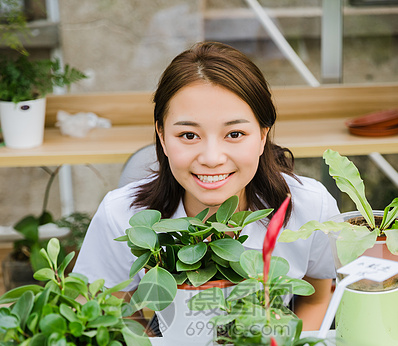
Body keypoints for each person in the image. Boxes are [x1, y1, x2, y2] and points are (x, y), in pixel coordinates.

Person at [75, 41, 339, 330]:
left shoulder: (309, 207)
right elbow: (110, 317)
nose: (212, 158)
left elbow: (316, 295)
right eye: (189, 135)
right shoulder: (120, 215)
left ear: (263, 135)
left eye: (235, 133)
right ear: (161, 136)